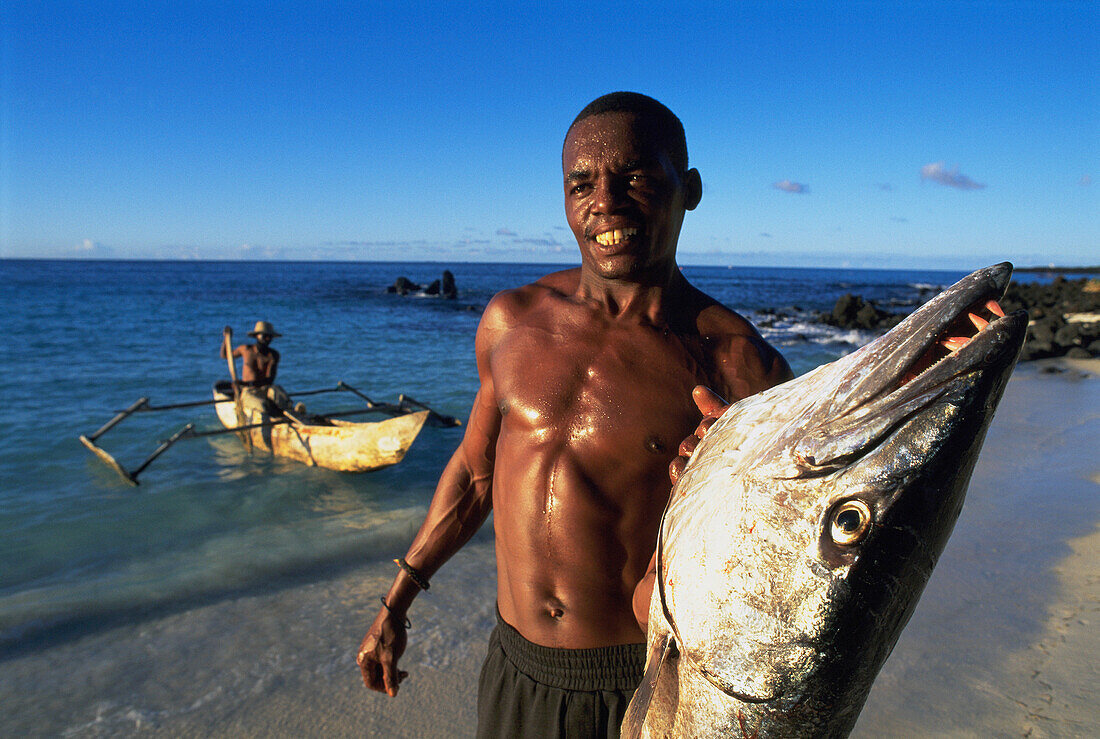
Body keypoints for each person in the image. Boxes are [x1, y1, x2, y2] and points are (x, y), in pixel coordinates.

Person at [356, 92, 793, 738]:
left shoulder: (740, 369)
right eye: (582, 183)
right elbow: (476, 474)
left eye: (636, 177)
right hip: (516, 669)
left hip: (642, 683)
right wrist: (399, 596)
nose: (605, 203)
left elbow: (780, 570)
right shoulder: (511, 320)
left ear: (690, 188)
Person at [221, 321, 295, 415]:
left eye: (269, 337)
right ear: (257, 336)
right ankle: (272, 415)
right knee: (262, 406)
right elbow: (225, 355)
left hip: (265, 388)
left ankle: (290, 412)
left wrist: (245, 383)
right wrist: (226, 338)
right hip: (248, 391)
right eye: (264, 336)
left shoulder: (273, 355)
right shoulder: (246, 349)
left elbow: (269, 380)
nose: (267, 339)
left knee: (281, 397)